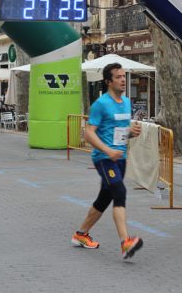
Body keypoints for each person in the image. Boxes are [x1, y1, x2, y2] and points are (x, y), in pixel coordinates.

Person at [71, 63, 143, 259]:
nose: (122, 80)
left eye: (123, 76)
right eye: (118, 77)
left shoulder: (127, 102)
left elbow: (117, 132)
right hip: (104, 158)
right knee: (119, 191)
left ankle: (81, 234)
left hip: (120, 157)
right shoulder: (100, 104)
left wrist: (130, 133)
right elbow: (88, 134)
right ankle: (126, 242)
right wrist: (108, 150)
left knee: (104, 199)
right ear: (108, 81)